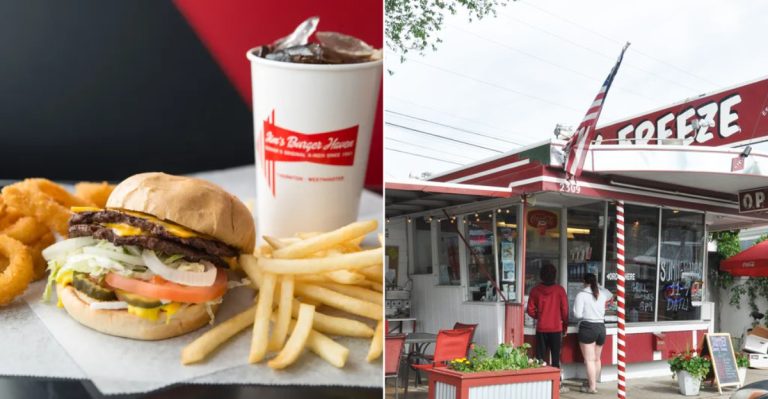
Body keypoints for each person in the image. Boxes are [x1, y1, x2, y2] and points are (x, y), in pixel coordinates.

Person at [573, 273, 612, 394]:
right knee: (597, 359)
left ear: (584, 282)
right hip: (601, 327)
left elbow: (577, 314)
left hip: (588, 327)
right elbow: (610, 295)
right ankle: (593, 383)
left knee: (589, 360)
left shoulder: (582, 294)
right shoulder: (602, 294)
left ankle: (592, 387)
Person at [527, 263, 568, 375]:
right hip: (556, 328)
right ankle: (556, 383)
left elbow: (530, 310)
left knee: (540, 358)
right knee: (555, 357)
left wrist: (540, 316)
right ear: (555, 275)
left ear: (541, 275)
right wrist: (565, 326)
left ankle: (540, 381)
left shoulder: (535, 290)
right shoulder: (560, 290)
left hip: (542, 328)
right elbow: (565, 311)